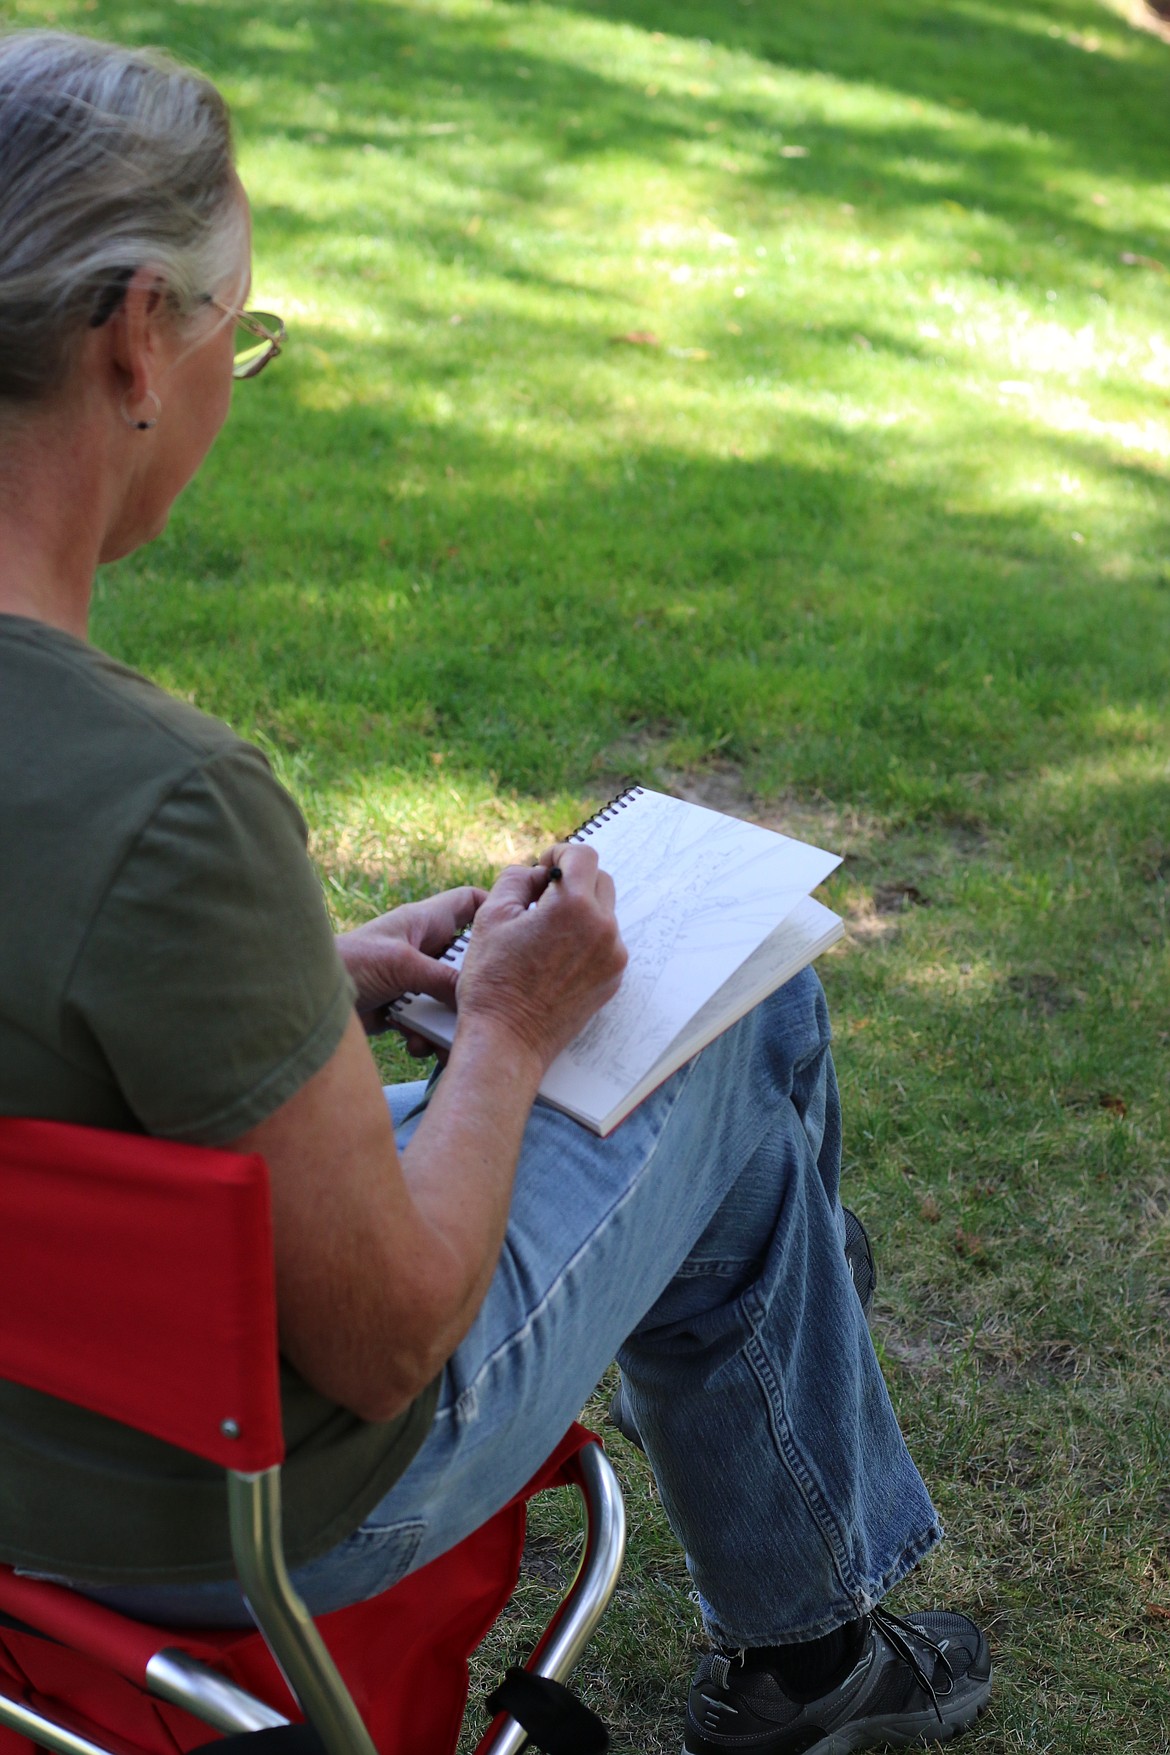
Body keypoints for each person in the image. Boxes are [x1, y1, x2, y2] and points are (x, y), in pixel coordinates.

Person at [0, 30, 992, 1753]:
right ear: (136, 337)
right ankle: (814, 1665)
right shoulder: (171, 804)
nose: (238, 378)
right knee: (742, 1020)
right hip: (214, 1524)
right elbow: (385, 1342)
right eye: (248, 335)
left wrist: (316, 968)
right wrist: (512, 1033)